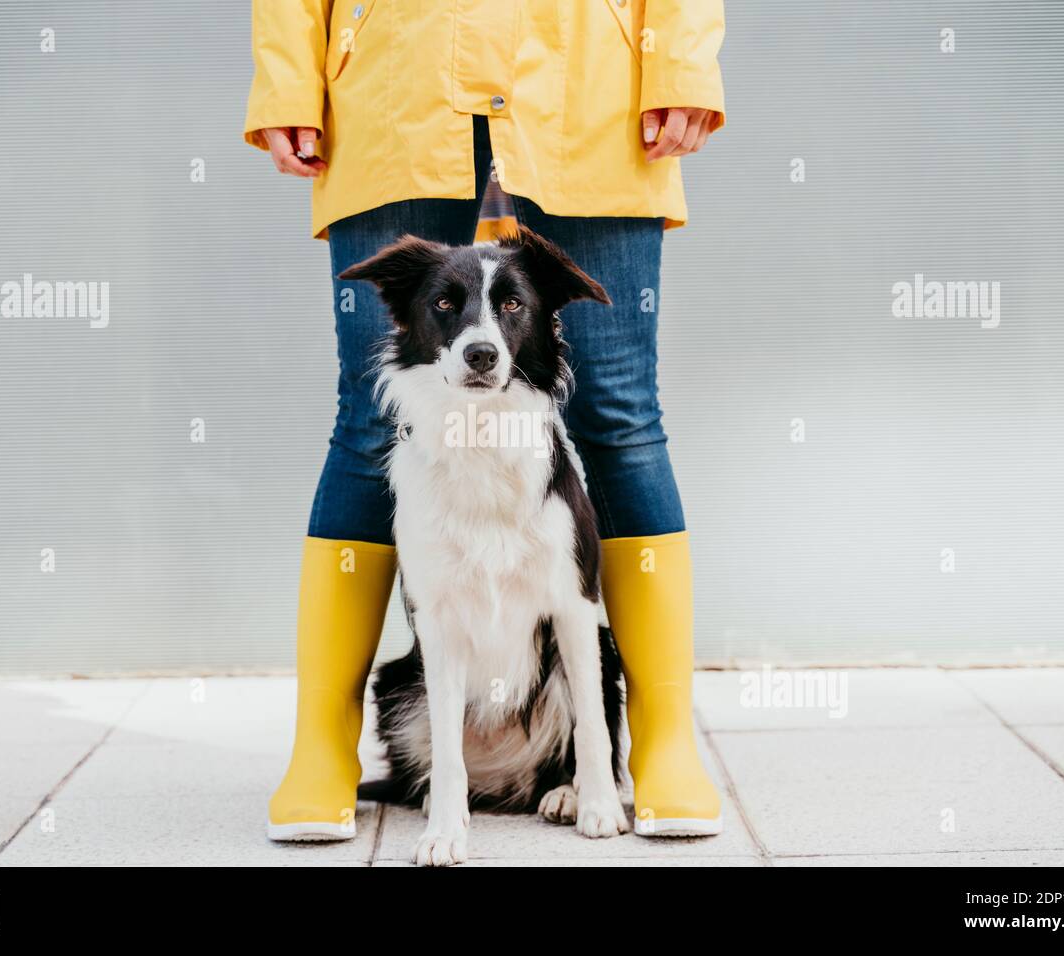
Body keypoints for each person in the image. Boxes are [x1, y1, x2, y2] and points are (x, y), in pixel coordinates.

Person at [245, 0, 728, 841]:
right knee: (369, 420)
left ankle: (660, 738)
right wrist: (289, 76)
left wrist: (680, 61)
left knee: (619, 411)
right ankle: (323, 741)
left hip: (592, 71)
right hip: (396, 66)